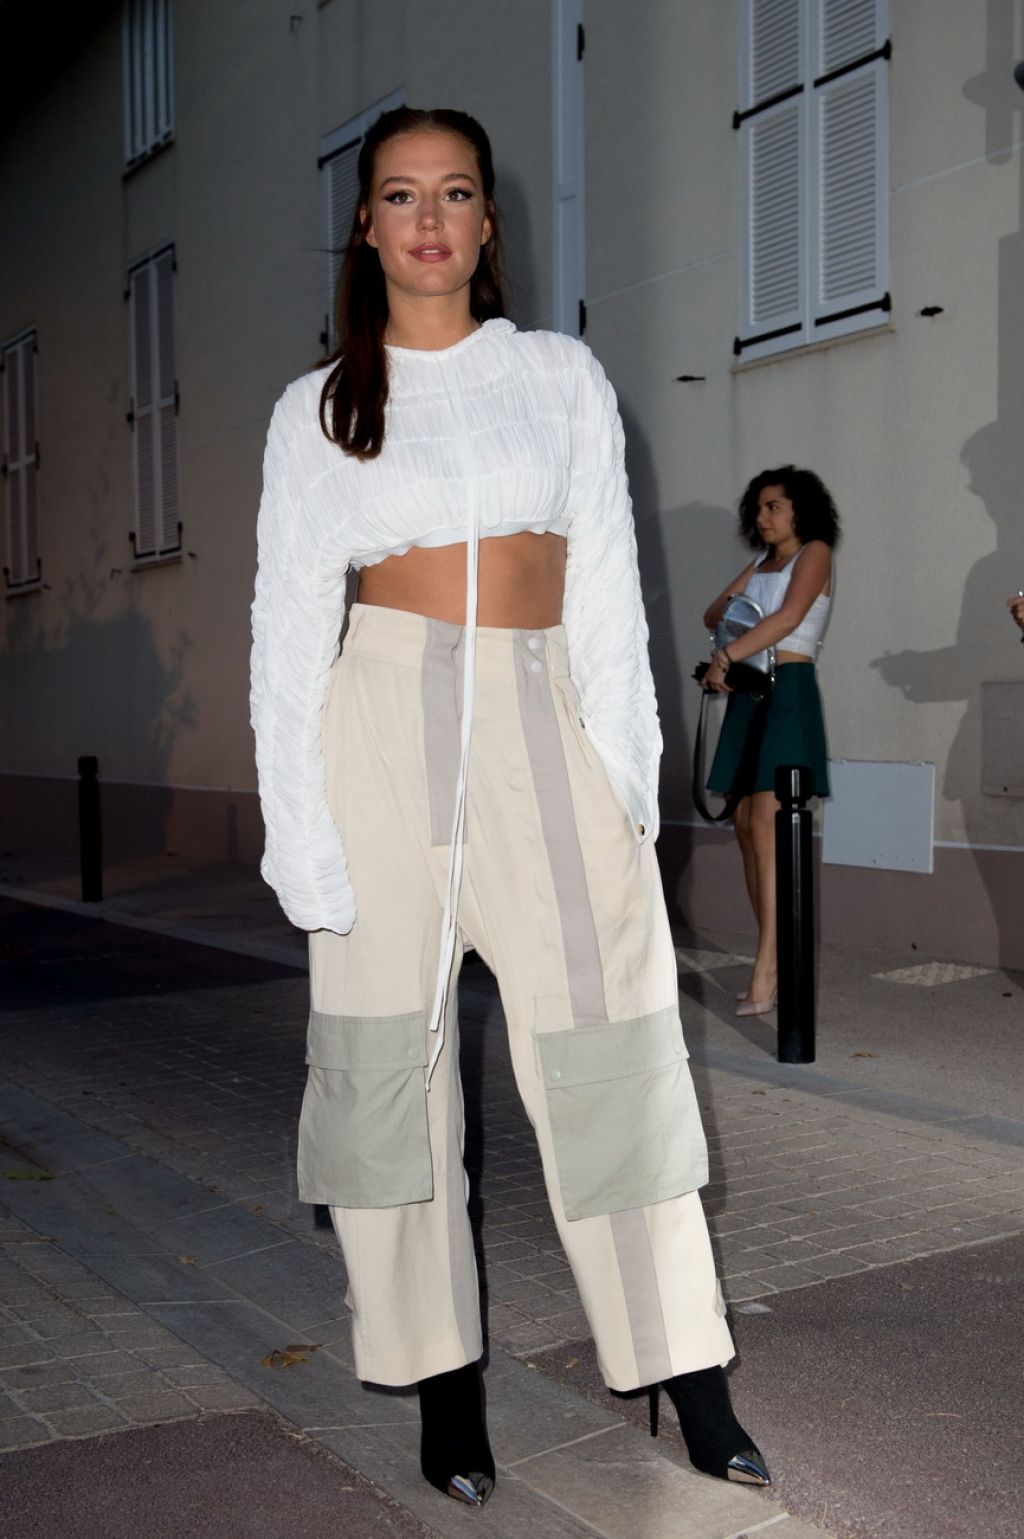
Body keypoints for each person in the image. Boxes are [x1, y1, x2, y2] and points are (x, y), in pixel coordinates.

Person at [251, 105, 768, 1509]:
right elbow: (287, 629)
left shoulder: (558, 377)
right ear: (366, 227)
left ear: (489, 224)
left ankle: (688, 1371)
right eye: (400, 195)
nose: (428, 218)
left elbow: (610, 591)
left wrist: (627, 782)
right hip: (382, 729)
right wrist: (298, 832)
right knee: (387, 1078)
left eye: (456, 193)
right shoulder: (317, 411)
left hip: (544, 722)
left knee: (611, 1054)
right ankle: (443, 1381)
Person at [701, 469, 840, 1015]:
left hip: (789, 690)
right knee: (743, 827)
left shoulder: (816, 552)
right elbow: (714, 615)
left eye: (775, 506)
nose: (763, 517)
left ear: (800, 510)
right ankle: (777, 954)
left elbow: (788, 619)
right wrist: (736, 613)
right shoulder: (762, 564)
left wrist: (727, 655)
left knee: (769, 826)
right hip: (751, 694)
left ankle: (769, 967)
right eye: (758, 508)